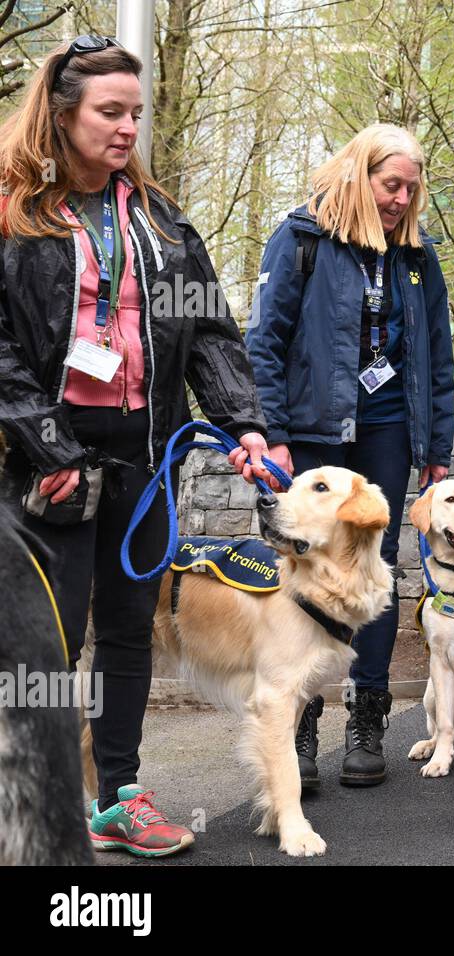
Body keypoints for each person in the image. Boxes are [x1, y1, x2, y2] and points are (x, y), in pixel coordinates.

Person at [0, 36, 272, 857]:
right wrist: (50, 451)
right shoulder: (16, 218)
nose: (127, 130)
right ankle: (36, 794)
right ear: (61, 114)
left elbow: (210, 334)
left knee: (127, 630)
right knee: (48, 642)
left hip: (147, 457)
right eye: (109, 113)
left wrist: (244, 421)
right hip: (49, 461)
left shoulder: (158, 222)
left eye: (136, 115)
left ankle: (118, 795)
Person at [246, 123, 454, 788]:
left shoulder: (418, 260)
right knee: (306, 570)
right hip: (310, 429)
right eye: (390, 184)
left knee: (375, 567)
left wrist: (437, 450)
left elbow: (438, 356)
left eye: (411, 189)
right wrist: (272, 432)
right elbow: (263, 341)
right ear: (358, 175)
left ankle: (367, 717)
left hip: (389, 428)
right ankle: (300, 728)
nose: (400, 199)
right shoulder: (301, 239)